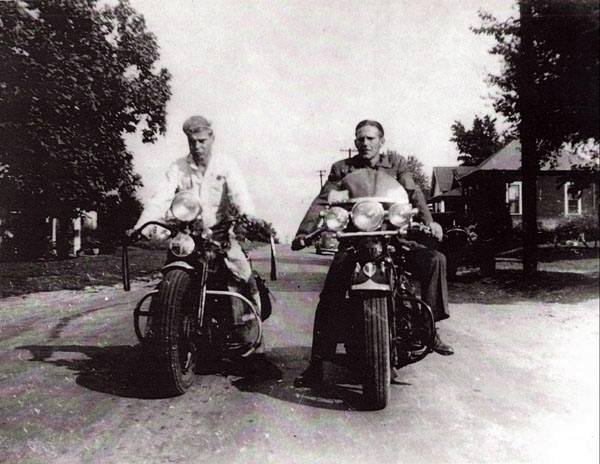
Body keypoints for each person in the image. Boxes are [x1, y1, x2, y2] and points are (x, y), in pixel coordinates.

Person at [292, 119, 454, 387]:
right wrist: (304, 232)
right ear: (355, 142)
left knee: (436, 260)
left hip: (392, 239)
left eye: (370, 138)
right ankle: (317, 364)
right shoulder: (342, 169)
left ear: (382, 141)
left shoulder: (397, 165)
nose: (365, 143)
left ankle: (429, 329)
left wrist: (430, 221)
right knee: (330, 296)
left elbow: (414, 193)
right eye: (360, 139)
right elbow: (323, 199)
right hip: (354, 242)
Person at [132, 115, 279, 378]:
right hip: (188, 234)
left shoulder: (226, 164)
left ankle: (257, 351)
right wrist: (141, 224)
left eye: (201, 140)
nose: (197, 146)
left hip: (221, 236)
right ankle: (160, 344)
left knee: (244, 280)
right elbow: (160, 198)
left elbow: (240, 195)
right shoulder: (178, 167)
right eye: (192, 141)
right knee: (168, 280)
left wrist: (248, 215)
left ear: (211, 138)